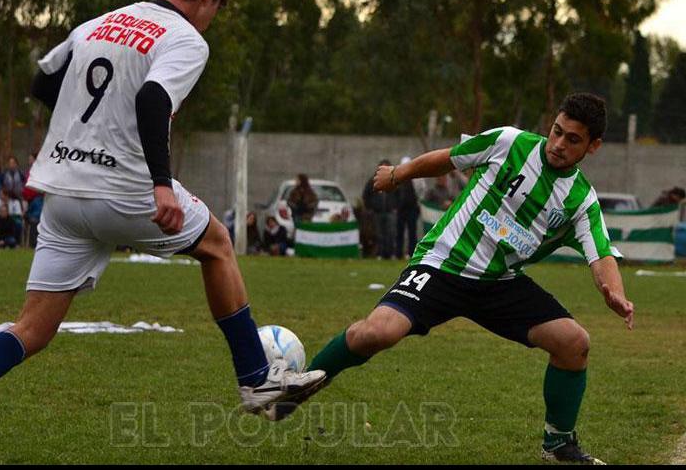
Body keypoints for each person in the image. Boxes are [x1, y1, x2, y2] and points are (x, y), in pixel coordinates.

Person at [0, 0, 325, 464]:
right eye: (217, 8)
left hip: (63, 192)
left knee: (30, 328)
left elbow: (43, 80)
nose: (212, 20)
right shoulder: (186, 38)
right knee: (218, 245)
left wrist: (81, 134)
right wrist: (161, 184)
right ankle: (257, 381)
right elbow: (152, 99)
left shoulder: (99, 23)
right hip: (125, 191)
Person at [270, 93, 634, 465]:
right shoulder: (509, 142)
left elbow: (601, 254)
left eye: (573, 139)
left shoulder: (580, 200)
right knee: (376, 333)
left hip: (500, 283)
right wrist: (397, 174)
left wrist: (614, 293)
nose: (558, 144)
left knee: (574, 343)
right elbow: (447, 159)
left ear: (594, 146)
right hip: (442, 264)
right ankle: (300, 385)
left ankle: (558, 445)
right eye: (557, 131)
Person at [362, 159, 399, 259]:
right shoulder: (373, 181)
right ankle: (380, 254)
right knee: (379, 234)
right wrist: (372, 207)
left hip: (390, 212)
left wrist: (395, 207)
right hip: (377, 212)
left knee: (391, 234)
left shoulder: (395, 180)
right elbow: (366, 195)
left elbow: (399, 195)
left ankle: (390, 254)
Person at [395, 156, 420, 259]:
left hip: (412, 209)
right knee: (399, 232)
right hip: (401, 209)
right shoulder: (398, 177)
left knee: (412, 233)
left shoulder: (417, 177)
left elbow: (421, 190)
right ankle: (398, 253)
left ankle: (411, 253)